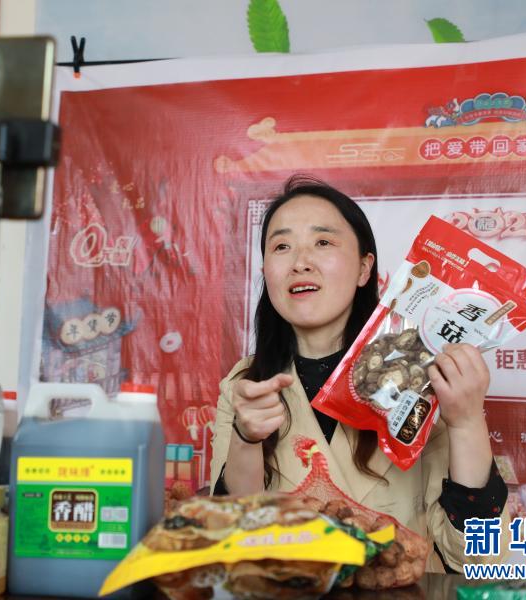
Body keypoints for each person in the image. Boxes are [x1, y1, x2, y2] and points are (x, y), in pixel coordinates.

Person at [210, 175, 509, 572]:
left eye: (323, 242)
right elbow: (232, 540)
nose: (300, 262)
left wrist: (467, 421)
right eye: (281, 246)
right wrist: (247, 439)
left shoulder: (422, 374)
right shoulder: (246, 384)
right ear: (265, 270)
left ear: (364, 269)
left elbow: (479, 557)